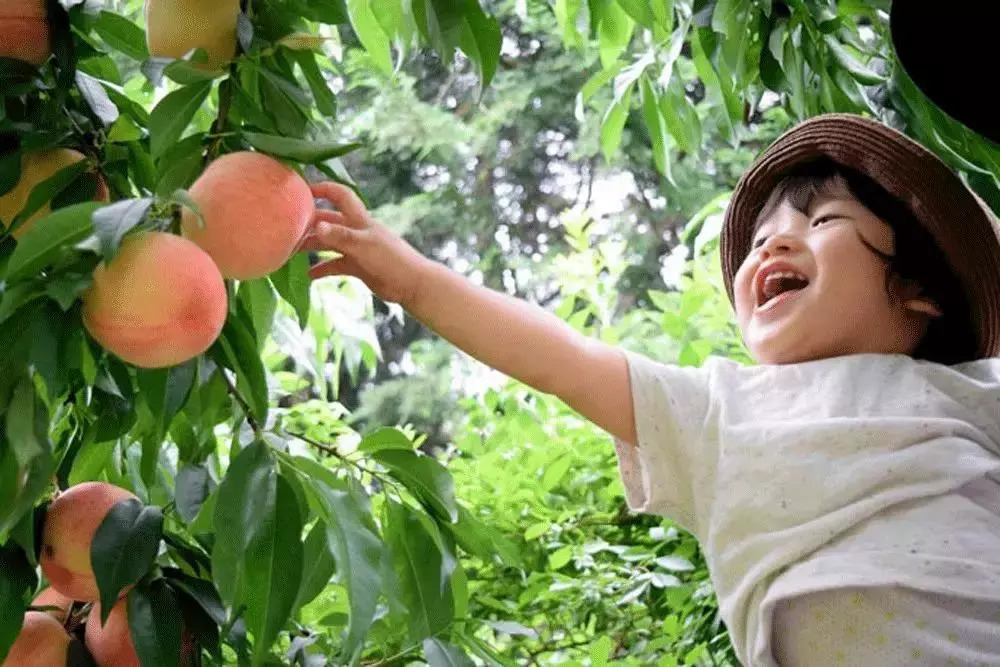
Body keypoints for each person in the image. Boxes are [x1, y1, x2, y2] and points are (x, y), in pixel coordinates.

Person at [299, 113, 1000, 666]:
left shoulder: (966, 393)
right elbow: (562, 358)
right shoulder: (717, 409)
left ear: (918, 290)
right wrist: (409, 277)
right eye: (761, 239)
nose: (774, 245)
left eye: (822, 222)